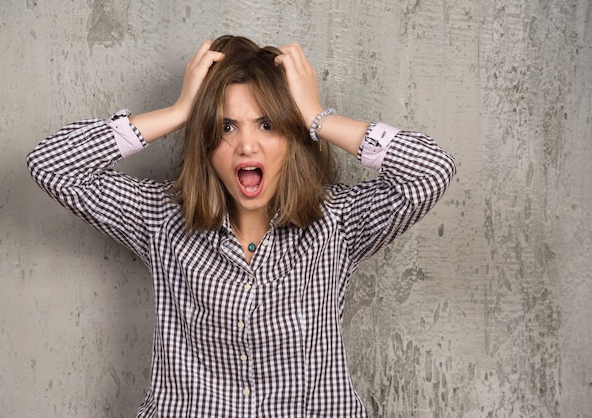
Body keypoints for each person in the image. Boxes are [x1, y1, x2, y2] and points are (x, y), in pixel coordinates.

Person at [27, 35, 456, 417]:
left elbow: (431, 171)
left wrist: (315, 116)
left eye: (268, 125)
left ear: (292, 138)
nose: (247, 144)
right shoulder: (160, 218)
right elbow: (52, 165)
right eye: (226, 126)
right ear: (207, 141)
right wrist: (181, 113)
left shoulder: (336, 222)